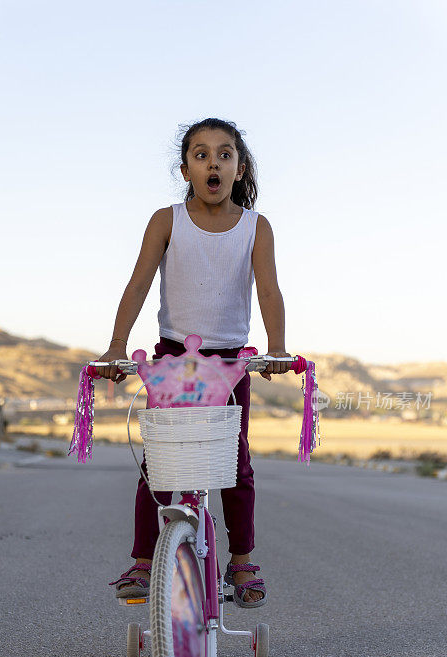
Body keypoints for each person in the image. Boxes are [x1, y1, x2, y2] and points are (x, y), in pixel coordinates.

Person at [95, 117, 307, 607]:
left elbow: (270, 290)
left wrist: (276, 347)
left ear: (239, 167)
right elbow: (139, 283)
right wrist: (116, 345)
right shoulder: (166, 220)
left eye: (225, 153)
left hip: (231, 362)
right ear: (186, 168)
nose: (214, 161)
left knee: (236, 461)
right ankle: (144, 560)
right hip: (174, 359)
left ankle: (242, 561)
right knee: (160, 461)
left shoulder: (257, 227)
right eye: (201, 153)